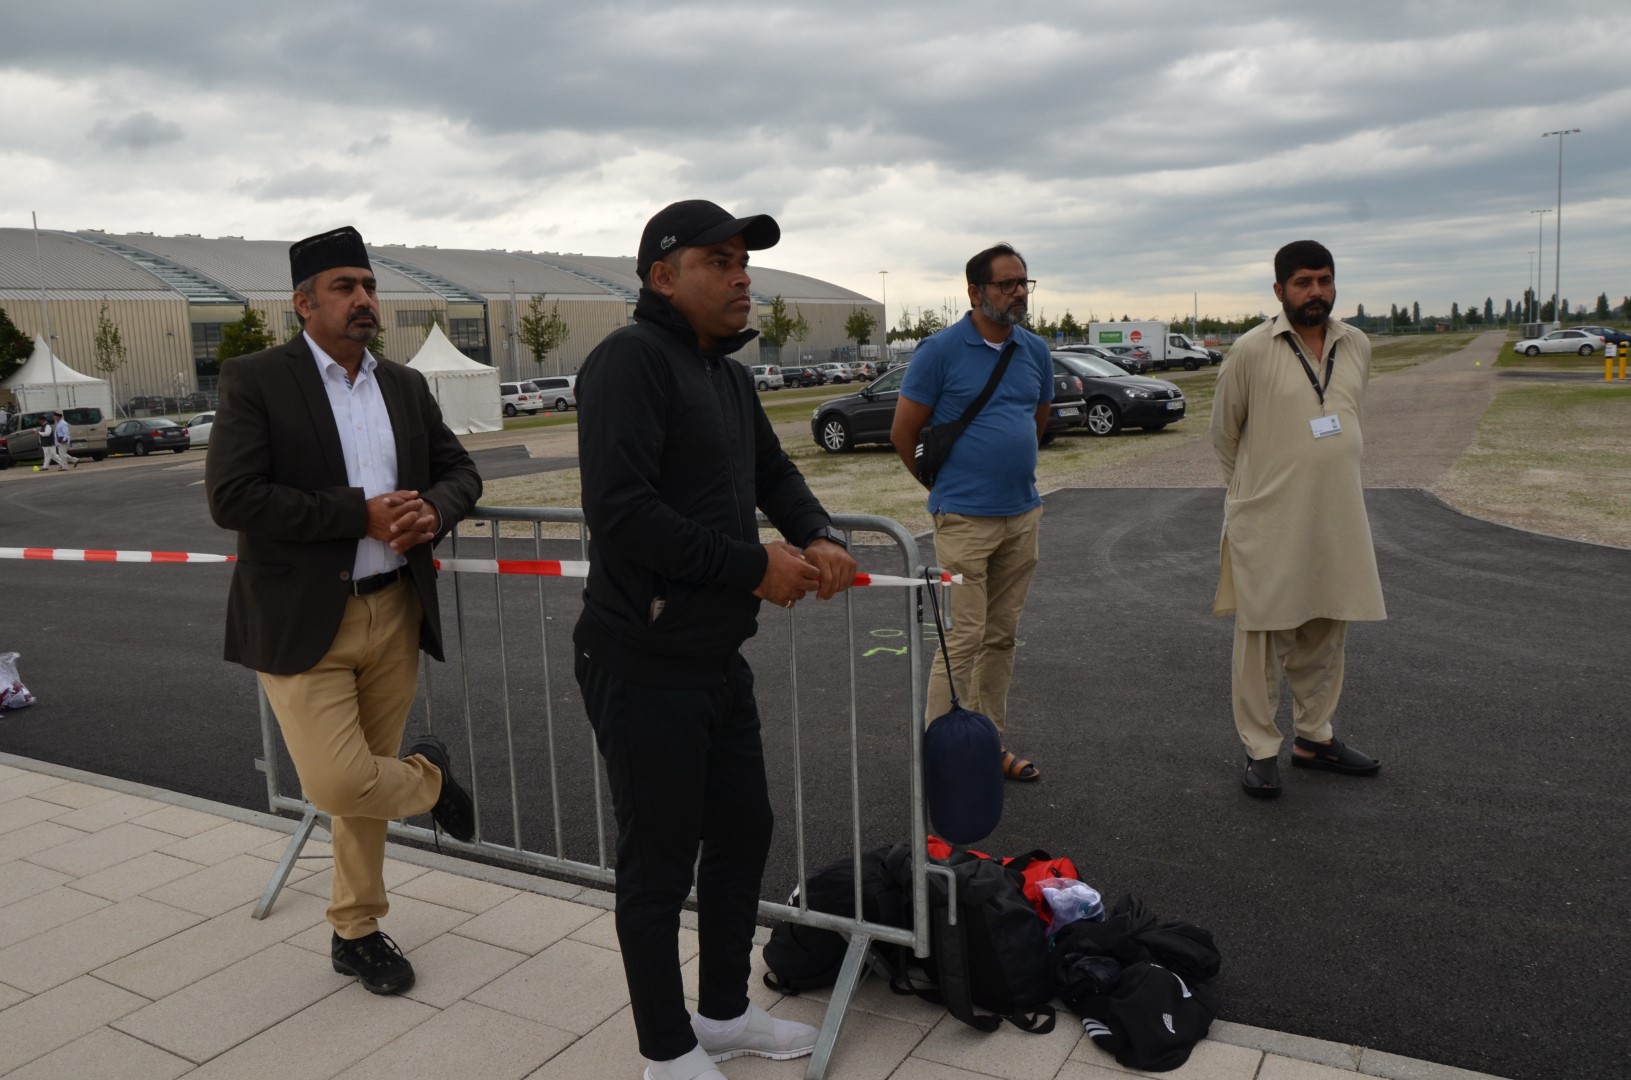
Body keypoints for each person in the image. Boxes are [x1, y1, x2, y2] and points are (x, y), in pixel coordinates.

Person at [574, 199, 857, 1080]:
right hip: (642, 657)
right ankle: (667, 1051)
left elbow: (770, 469)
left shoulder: (725, 375)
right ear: (663, 277)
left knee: (741, 833)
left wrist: (817, 533)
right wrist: (750, 567)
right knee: (657, 863)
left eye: (744, 262)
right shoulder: (628, 362)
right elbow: (621, 512)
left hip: (712, 656)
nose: (742, 278)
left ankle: (725, 1014)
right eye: (719, 262)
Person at [205, 226, 483, 993]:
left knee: (362, 797)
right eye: (344, 287)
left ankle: (356, 930)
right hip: (300, 619)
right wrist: (355, 515)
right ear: (304, 303)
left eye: (368, 286)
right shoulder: (256, 379)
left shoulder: (405, 385)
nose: (363, 299)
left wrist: (434, 509)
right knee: (338, 783)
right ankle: (430, 780)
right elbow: (233, 498)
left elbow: (461, 471)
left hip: (394, 609)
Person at [1210, 240, 1386, 799]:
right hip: (1269, 520)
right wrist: (1257, 493)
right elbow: (1224, 434)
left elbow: (1352, 417)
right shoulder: (1250, 350)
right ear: (1279, 289)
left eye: (1324, 280)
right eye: (1304, 282)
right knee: (1263, 638)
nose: (1316, 292)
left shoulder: (1356, 344)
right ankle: (1261, 750)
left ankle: (1315, 737)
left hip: (1337, 516)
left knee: (1327, 628)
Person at [889, 243, 1053, 782]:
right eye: (1006, 284)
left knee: (1001, 637)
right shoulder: (939, 351)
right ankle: (942, 760)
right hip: (963, 521)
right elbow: (903, 433)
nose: (1018, 293)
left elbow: (1037, 419)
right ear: (975, 291)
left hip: (1021, 515)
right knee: (963, 639)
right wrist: (944, 490)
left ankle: (987, 745)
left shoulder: (1035, 350)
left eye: (1023, 283)